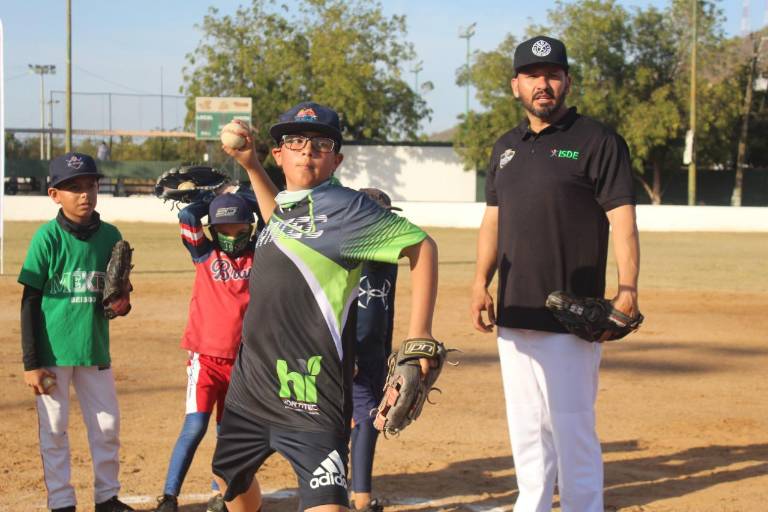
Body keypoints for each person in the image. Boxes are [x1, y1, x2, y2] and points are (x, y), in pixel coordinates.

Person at [213, 101, 439, 512]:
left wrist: (419, 334)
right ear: (279, 153)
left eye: (321, 142)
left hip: (312, 391)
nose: (307, 150)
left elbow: (422, 247)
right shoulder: (285, 206)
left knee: (328, 505)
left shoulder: (349, 208)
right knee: (229, 481)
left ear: (337, 158)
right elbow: (279, 223)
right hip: (253, 383)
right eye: (295, 141)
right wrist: (250, 166)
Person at [470, 36, 640, 512]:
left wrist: (627, 289)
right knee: (526, 425)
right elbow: (493, 221)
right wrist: (479, 283)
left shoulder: (597, 141)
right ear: (515, 86)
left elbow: (622, 221)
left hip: (571, 312)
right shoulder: (505, 148)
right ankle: (533, 504)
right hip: (515, 309)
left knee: (571, 426)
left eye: (552, 74)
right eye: (532, 75)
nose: (543, 84)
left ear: (566, 81)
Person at [19, 152, 134, 512]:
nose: (85, 194)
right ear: (55, 195)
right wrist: (31, 362)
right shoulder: (47, 238)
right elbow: (29, 301)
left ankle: (107, 497)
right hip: (52, 354)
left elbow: (119, 300)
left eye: (90, 185)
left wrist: (121, 303)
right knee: (54, 430)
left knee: (107, 426)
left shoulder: (111, 236)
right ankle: (62, 502)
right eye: (74, 188)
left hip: (94, 349)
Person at [153, 190, 262, 512]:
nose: (230, 236)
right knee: (195, 426)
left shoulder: (260, 253)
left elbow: (274, 219)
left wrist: (246, 198)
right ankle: (169, 496)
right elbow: (188, 217)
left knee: (227, 432)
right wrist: (212, 198)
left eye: (238, 228)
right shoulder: (203, 252)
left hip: (244, 362)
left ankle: (220, 493)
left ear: (250, 227)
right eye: (223, 229)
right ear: (213, 229)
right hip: (205, 359)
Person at [349, 188, 401, 512]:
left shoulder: (389, 258)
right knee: (367, 420)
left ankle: (346, 494)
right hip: (347, 355)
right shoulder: (347, 256)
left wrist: (387, 356)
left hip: (375, 356)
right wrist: (346, 354)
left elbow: (388, 309)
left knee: (367, 421)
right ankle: (361, 500)